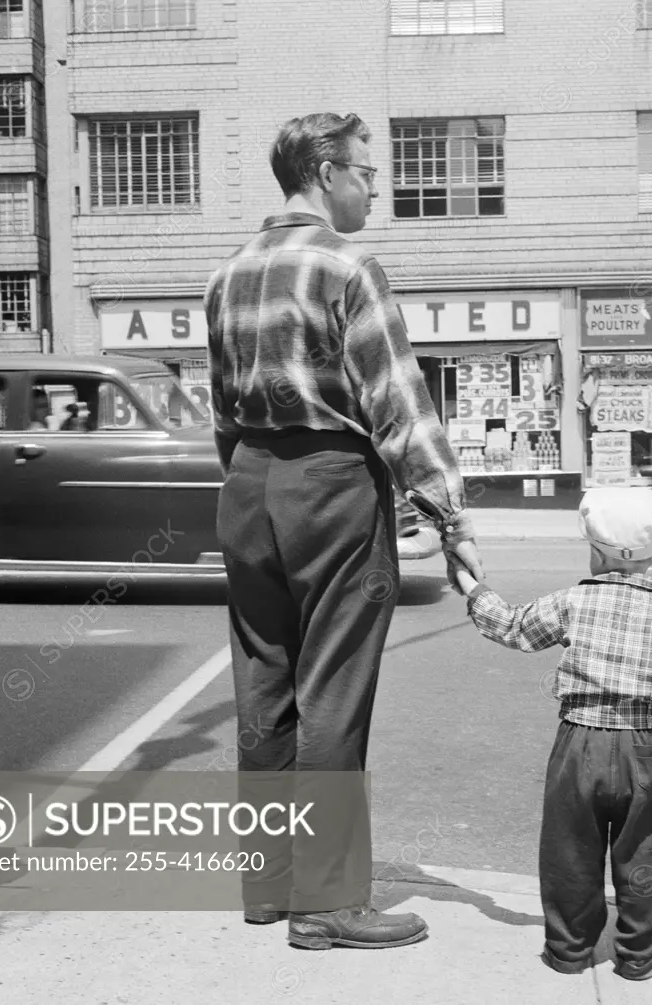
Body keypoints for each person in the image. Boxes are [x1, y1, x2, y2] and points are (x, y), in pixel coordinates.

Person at [204, 112, 483, 950]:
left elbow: (221, 408)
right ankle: (328, 901)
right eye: (366, 170)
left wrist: (254, 472)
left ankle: (270, 886)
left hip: (248, 484)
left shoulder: (229, 273)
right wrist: (449, 512)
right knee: (333, 690)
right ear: (325, 173)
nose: (375, 186)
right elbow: (397, 400)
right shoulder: (349, 265)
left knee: (264, 686)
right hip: (331, 485)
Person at [449, 486, 652, 982]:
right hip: (646, 751)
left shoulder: (573, 601)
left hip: (580, 744)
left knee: (569, 851)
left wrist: (473, 590)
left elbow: (512, 627)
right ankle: (640, 955)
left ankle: (569, 950)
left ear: (594, 550)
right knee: (642, 852)